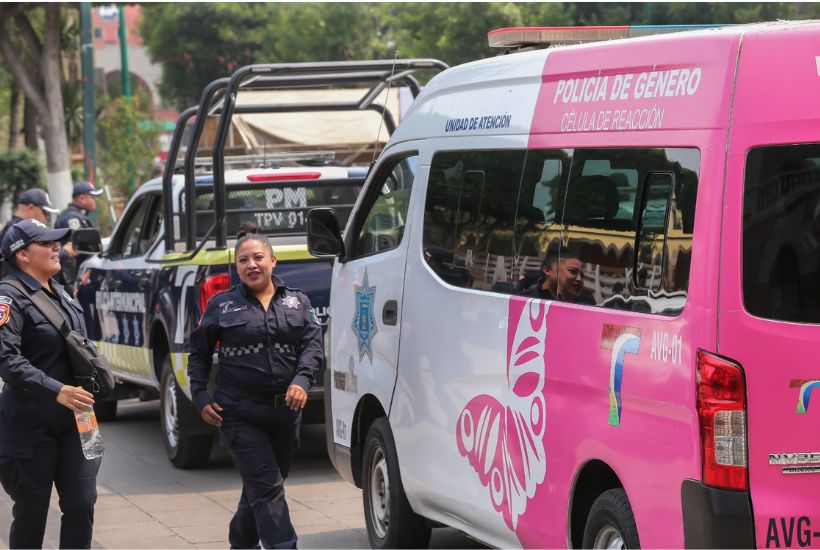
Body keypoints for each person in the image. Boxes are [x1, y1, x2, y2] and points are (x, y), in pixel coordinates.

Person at [187, 222, 323, 549]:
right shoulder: (221, 305)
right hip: (238, 412)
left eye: (258, 257)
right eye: (243, 260)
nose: (252, 265)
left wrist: (302, 380)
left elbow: (313, 346)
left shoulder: (298, 303)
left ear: (273, 261)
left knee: (261, 488)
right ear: (236, 267)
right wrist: (200, 394)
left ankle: (241, 543)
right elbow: (199, 353)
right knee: (268, 488)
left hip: (285, 414)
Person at [0, 218, 101, 549]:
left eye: (57, 242)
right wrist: (56, 389)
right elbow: (7, 360)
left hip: (79, 420)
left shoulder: (61, 290)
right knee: (32, 512)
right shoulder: (8, 297)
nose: (57, 247)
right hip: (30, 422)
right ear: (23, 255)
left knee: (82, 503)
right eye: (46, 243)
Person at [0, 189, 61, 278]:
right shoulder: (17, 231)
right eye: (45, 212)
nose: (47, 217)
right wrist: (65, 253)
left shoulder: (13, 227)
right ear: (31, 208)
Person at [55, 182, 103, 292]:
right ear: (81, 198)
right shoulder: (73, 218)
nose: (95, 200)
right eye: (93, 197)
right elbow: (80, 248)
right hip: (72, 278)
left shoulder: (77, 215)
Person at [521, 244, 595, 305]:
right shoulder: (527, 300)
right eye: (573, 271)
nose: (579, 279)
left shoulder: (588, 301)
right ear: (547, 270)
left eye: (582, 275)